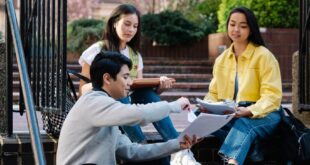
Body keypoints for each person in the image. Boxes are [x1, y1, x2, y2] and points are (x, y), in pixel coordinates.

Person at [79, 4, 199, 165]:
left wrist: (159, 88)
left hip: (130, 111)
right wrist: (109, 88)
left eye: (135, 26)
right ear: (114, 23)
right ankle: (139, 143)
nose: (131, 30)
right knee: (120, 96)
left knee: (147, 94)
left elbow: (137, 88)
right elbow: (83, 89)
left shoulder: (135, 55)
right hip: (106, 110)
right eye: (127, 24)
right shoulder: (97, 50)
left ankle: (181, 152)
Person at [57, 51, 199, 164]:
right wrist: (175, 105)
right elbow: (138, 114)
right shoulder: (92, 102)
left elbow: (131, 151)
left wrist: (177, 144)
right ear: (107, 79)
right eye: (125, 77)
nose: (130, 82)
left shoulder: (106, 109)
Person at [200, 7, 283, 165]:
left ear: (251, 30)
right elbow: (214, 93)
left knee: (244, 124)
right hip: (234, 111)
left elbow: (272, 97)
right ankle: (253, 149)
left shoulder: (264, 56)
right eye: (232, 24)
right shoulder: (222, 59)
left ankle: (232, 161)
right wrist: (208, 105)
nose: (236, 29)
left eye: (243, 26)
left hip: (265, 113)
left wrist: (250, 111)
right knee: (200, 116)